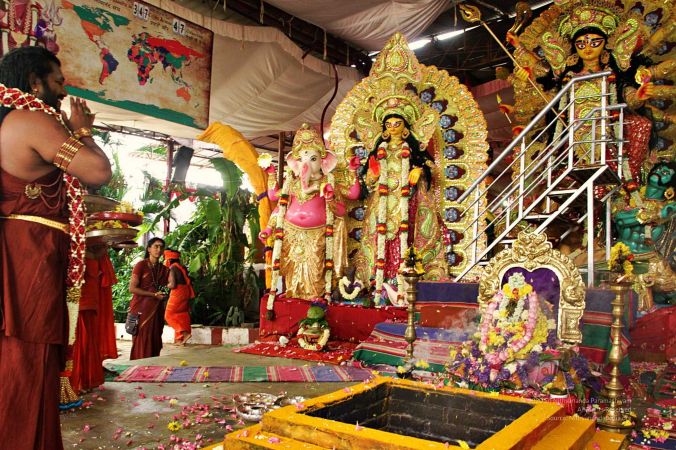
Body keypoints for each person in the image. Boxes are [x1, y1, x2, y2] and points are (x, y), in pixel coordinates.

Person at [0, 46, 111, 449]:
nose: (64, 92)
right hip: (29, 258)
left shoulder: (7, 119)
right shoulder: (31, 120)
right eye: (58, 82)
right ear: (35, 83)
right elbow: (98, 171)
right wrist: (82, 130)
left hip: (18, 251)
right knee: (28, 363)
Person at [129, 237, 169, 360]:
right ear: (149, 249)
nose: (159, 249)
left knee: (155, 338)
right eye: (156, 246)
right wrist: (153, 295)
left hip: (157, 309)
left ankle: (152, 365)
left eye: (161, 247)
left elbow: (170, 285)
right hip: (141, 308)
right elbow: (132, 288)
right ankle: (139, 365)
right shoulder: (141, 265)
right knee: (142, 338)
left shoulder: (163, 269)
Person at [164, 249, 195, 345]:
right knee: (181, 314)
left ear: (169, 259)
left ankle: (185, 334)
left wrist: (165, 285)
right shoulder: (181, 267)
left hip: (177, 292)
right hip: (186, 291)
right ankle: (180, 339)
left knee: (168, 315)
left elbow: (172, 285)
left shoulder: (172, 268)